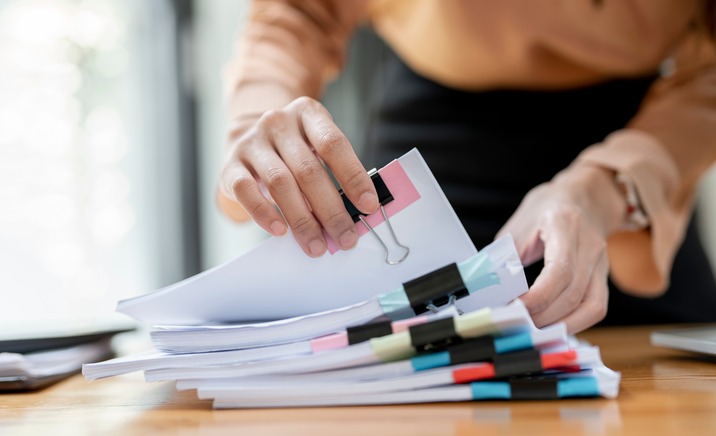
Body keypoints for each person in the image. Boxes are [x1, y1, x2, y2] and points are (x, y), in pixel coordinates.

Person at [215, 0, 716, 333]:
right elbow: (299, 13)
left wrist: (608, 189)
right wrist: (257, 120)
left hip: (637, 158)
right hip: (432, 153)